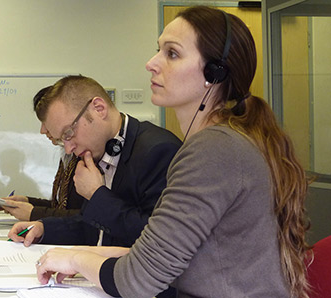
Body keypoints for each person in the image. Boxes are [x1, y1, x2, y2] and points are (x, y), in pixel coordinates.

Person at [34, 6, 311, 298]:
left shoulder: (215, 149)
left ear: (214, 73)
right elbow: (163, 251)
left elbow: (137, 281)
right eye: (158, 50)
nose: (152, 63)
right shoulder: (226, 142)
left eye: (172, 53)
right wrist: (78, 254)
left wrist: (76, 259)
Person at [8, 75, 182, 250]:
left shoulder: (158, 150)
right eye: (62, 140)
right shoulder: (98, 151)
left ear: (99, 109)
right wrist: (44, 228)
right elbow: (93, 225)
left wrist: (96, 194)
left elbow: (158, 239)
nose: (68, 149)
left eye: (68, 133)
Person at [1, 86, 85, 221]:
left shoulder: (84, 157)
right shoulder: (68, 155)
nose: (43, 130)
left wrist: (34, 213)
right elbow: (59, 207)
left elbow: (86, 217)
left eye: (47, 123)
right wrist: (28, 202)